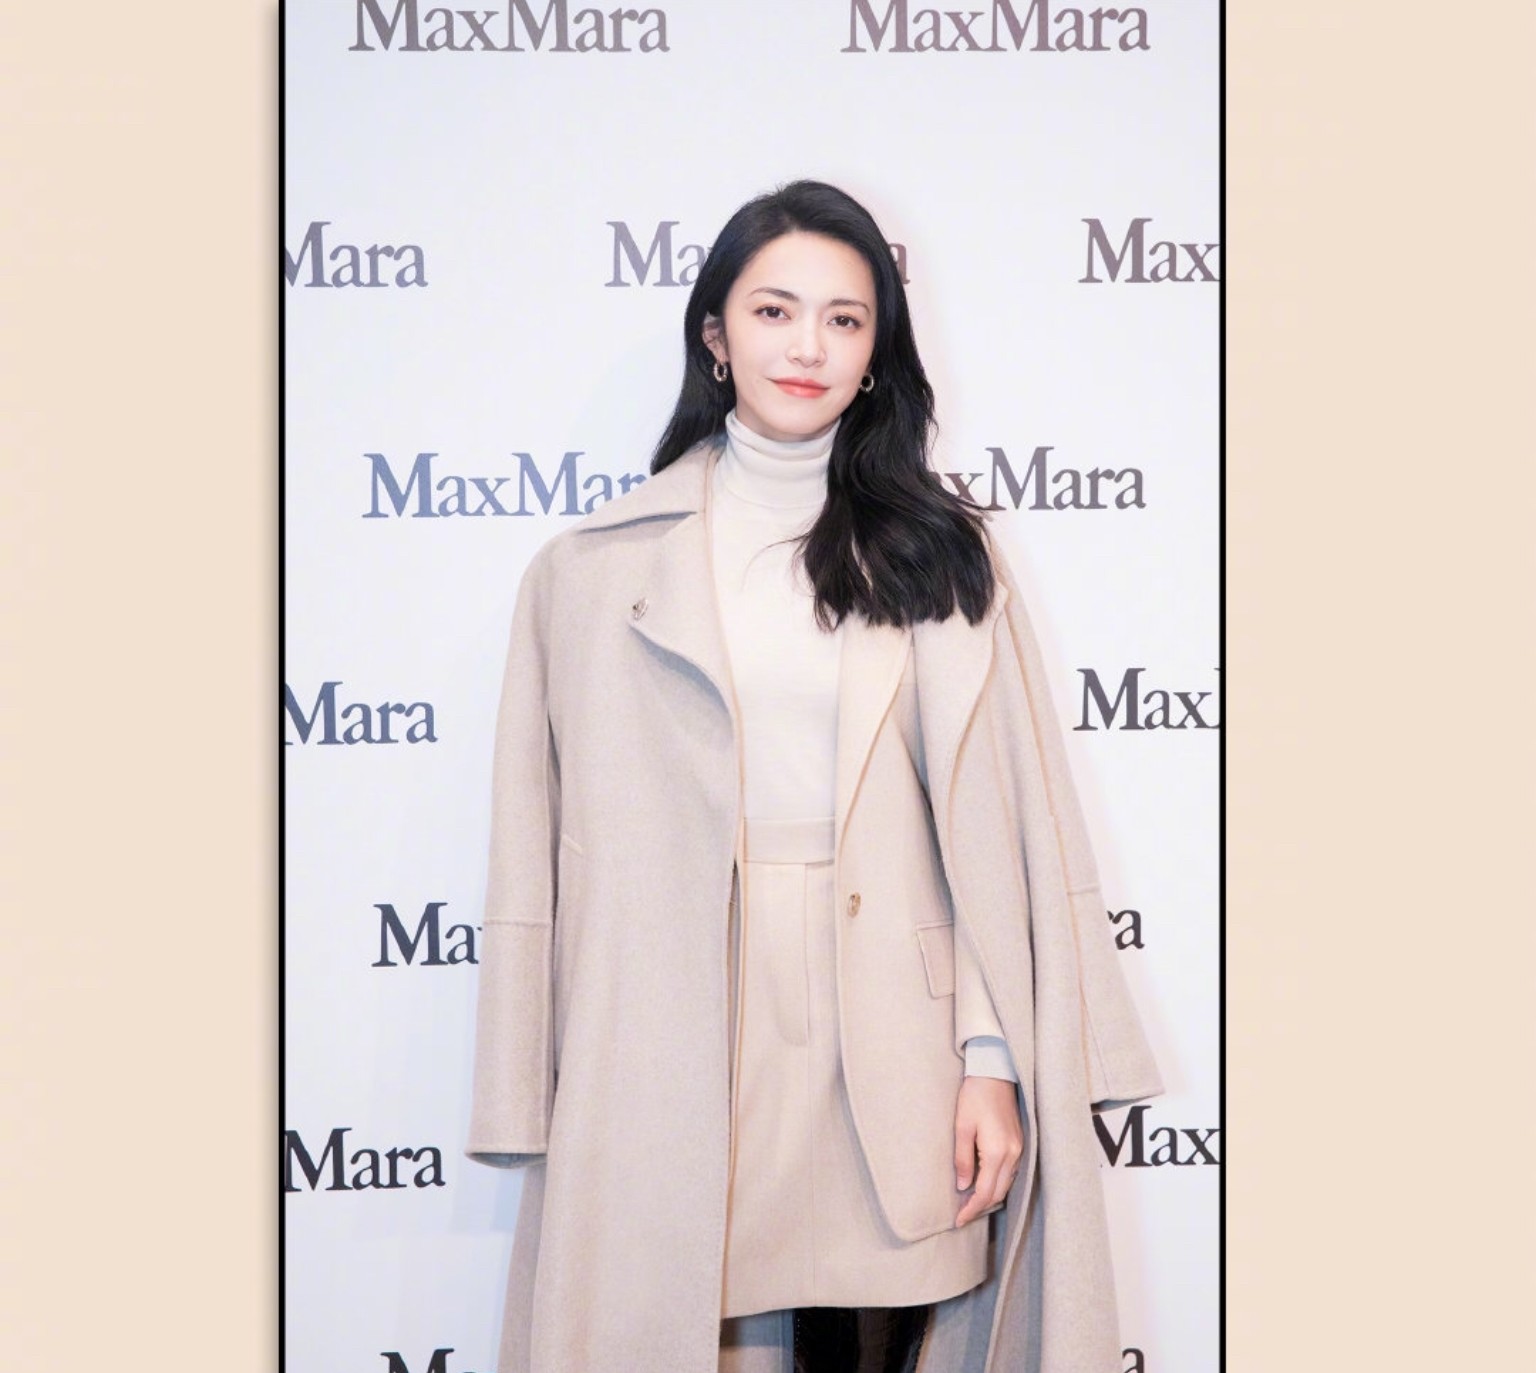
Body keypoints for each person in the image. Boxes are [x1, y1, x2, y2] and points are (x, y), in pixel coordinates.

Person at [467, 181, 1162, 1373]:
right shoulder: (588, 572)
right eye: (775, 310)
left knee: (885, 1329)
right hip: (674, 1024)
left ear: (877, 351)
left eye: (845, 320)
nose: (807, 346)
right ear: (715, 333)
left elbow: (1002, 837)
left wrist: (990, 1060)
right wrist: (520, 1084)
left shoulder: (943, 555)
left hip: (894, 1036)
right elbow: (533, 849)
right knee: (657, 1310)